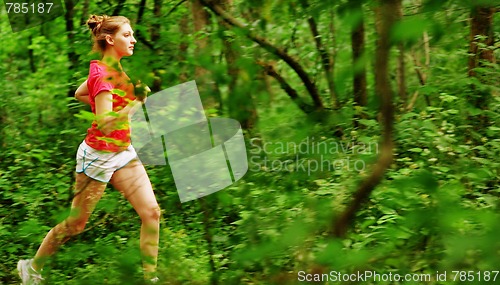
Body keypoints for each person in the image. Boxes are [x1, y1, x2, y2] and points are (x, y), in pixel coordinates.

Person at [17, 15, 160, 284]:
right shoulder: (104, 75)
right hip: (98, 156)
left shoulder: (107, 67)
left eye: (132, 34)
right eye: (127, 35)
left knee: (151, 213)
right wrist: (136, 102)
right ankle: (32, 267)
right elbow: (106, 125)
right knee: (75, 225)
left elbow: (80, 94)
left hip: (123, 152)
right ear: (110, 39)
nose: (133, 39)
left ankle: (150, 279)